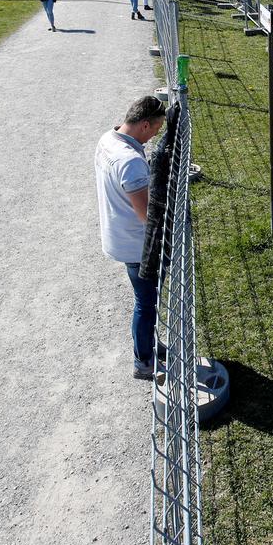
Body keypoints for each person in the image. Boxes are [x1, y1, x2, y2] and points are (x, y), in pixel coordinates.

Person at [94, 96, 168, 379]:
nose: (155, 136)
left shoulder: (108, 139)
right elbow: (146, 216)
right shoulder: (131, 162)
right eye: (156, 129)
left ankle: (147, 345)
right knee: (146, 303)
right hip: (137, 247)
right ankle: (143, 362)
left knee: (145, 301)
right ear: (145, 124)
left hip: (118, 235)